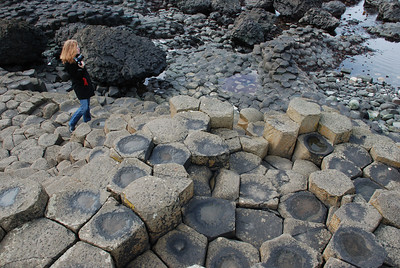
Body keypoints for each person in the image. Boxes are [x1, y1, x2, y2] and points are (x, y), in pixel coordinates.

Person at [60, 39, 95, 132]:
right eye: (77, 47)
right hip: (80, 87)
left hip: (85, 85)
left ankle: (87, 121)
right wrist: (82, 68)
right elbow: (76, 76)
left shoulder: (76, 59)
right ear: (71, 49)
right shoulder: (69, 63)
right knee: (84, 107)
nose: (79, 48)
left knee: (87, 105)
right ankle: (72, 123)